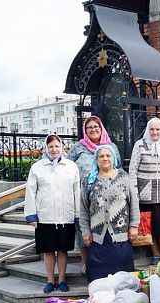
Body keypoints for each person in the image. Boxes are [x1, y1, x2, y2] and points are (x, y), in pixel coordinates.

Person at [25, 135, 80, 293]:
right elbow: (30, 191)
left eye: (56, 146)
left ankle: (62, 279)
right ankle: (50, 280)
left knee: (62, 249)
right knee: (48, 250)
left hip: (65, 216)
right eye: (51, 147)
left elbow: (77, 191)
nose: (54, 150)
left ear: (61, 147)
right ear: (46, 148)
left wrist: (77, 213)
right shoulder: (37, 167)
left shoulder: (71, 166)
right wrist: (31, 215)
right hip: (45, 216)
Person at [68, 116, 121, 275]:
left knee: (105, 226)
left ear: (101, 128)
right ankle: (86, 263)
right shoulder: (78, 147)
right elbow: (68, 168)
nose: (93, 129)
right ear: (85, 130)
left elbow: (117, 166)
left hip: (107, 193)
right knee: (84, 228)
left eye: (96, 127)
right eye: (89, 127)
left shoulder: (111, 146)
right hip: (84, 193)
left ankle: (106, 260)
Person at [80, 145, 140, 282]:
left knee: (123, 279)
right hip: (98, 238)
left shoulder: (124, 177)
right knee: (99, 278)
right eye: (101, 156)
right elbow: (83, 208)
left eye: (108, 155)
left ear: (114, 158)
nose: (105, 158)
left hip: (121, 237)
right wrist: (85, 231)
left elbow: (134, 203)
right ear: (96, 159)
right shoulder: (89, 180)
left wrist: (134, 225)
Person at [129, 117, 160, 265]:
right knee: (147, 227)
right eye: (152, 129)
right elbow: (132, 170)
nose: (155, 132)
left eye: (158, 129)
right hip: (144, 194)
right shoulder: (139, 145)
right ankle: (156, 254)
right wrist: (134, 192)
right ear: (148, 130)